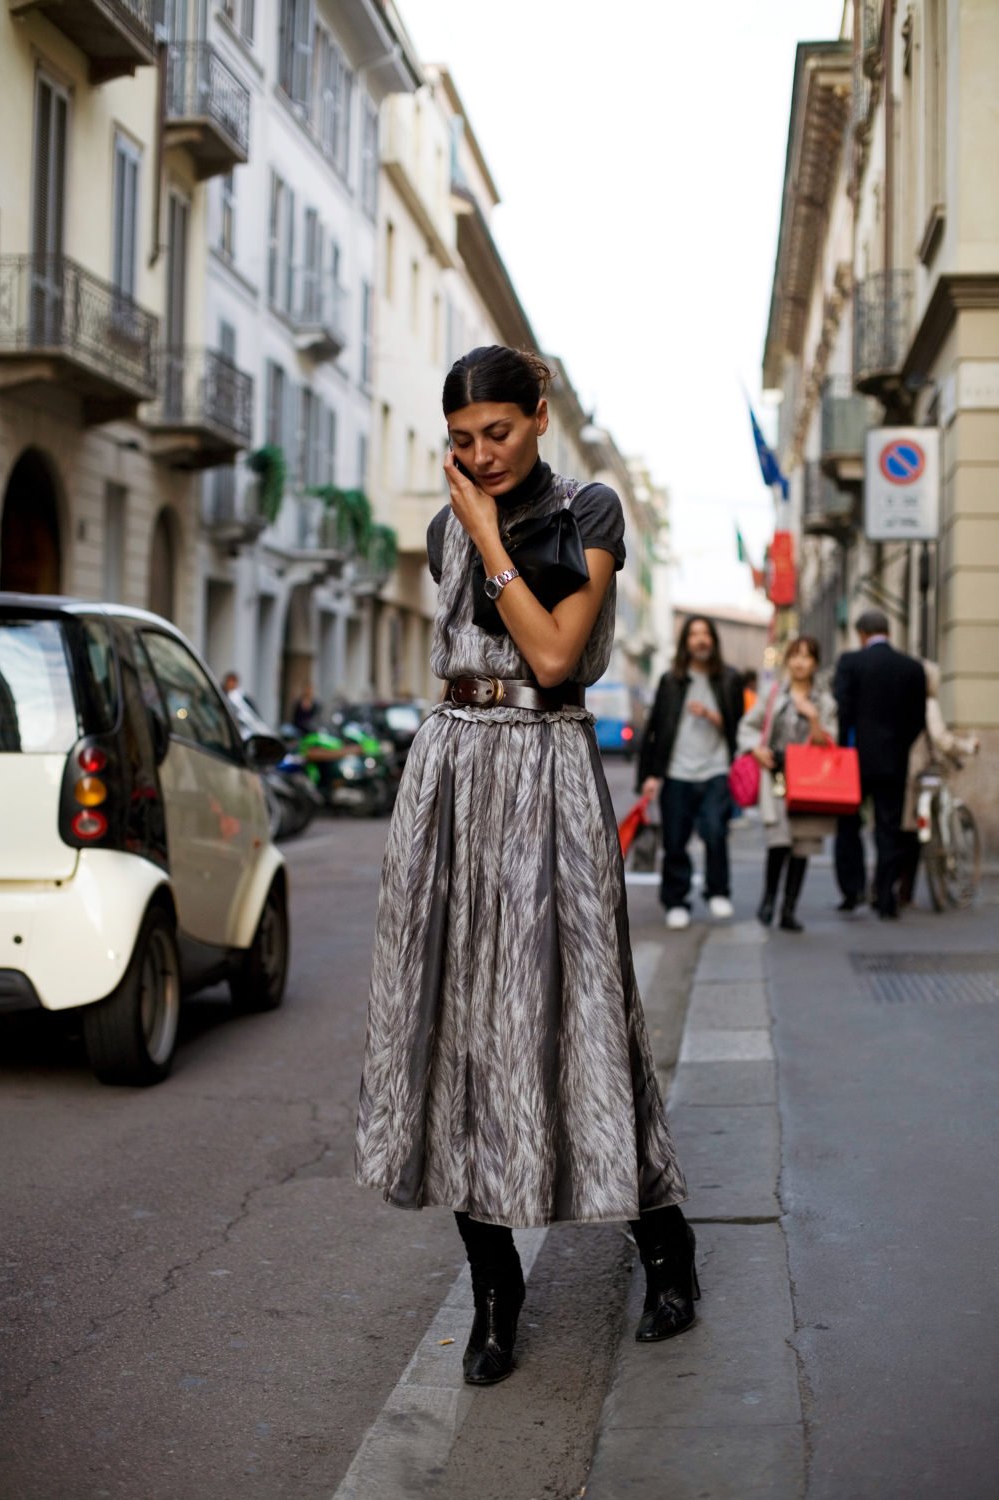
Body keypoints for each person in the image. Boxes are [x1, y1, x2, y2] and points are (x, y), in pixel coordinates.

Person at [355, 346, 696, 1387]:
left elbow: (552, 659)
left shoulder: (587, 511)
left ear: (539, 416)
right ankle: (493, 1291)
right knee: (452, 1022)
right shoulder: (441, 527)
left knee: (579, 1012)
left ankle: (663, 1243)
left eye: (497, 433)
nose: (480, 455)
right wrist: (466, 529)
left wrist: (485, 533)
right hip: (450, 774)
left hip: (545, 773)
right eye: (461, 442)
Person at [637, 616, 745, 929]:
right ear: (686, 642)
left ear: (713, 640)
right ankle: (676, 900)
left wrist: (711, 715)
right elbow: (655, 728)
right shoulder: (671, 680)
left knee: (715, 831)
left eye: (705, 634)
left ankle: (718, 892)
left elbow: (739, 727)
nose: (700, 640)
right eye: (694, 634)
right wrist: (650, 775)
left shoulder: (729, 679)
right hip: (676, 772)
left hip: (716, 769)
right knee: (675, 839)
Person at [737, 637, 838, 932]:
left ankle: (789, 909)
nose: (800, 662)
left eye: (807, 656)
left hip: (811, 780)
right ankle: (768, 900)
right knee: (778, 840)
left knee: (803, 843)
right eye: (795, 655)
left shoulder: (826, 702)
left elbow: (831, 742)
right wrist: (755, 749)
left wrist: (814, 717)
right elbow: (748, 726)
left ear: (816, 663)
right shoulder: (772, 694)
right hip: (777, 775)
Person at [833, 609, 926, 918]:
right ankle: (885, 897)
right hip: (893, 760)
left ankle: (853, 890)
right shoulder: (912, 668)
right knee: (888, 829)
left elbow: (843, 710)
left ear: (861, 634)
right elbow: (917, 720)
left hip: (853, 759)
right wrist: (898, 747)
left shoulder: (850, 663)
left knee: (849, 825)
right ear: (888, 632)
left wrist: (846, 747)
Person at [899, 660, 979, 904]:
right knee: (919, 826)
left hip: (903, 770)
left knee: (906, 830)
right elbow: (941, 739)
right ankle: (940, 863)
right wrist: (966, 746)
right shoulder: (928, 703)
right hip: (925, 770)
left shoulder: (900, 699)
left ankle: (900, 889)